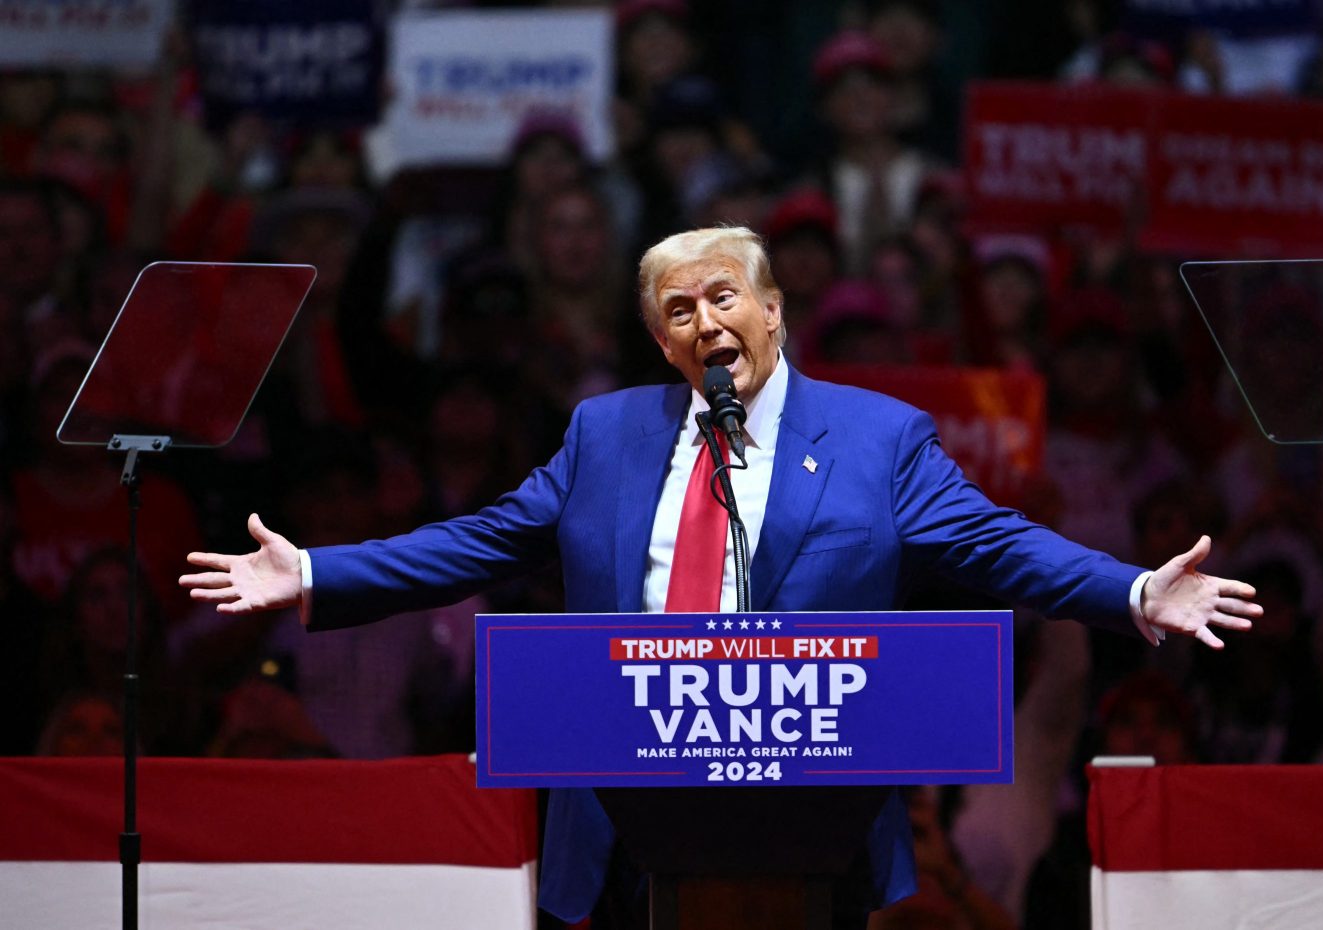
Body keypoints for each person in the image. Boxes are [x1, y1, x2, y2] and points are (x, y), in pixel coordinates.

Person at [180, 226, 1261, 924]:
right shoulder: (604, 436)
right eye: (678, 311)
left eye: (723, 296)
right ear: (663, 344)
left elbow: (997, 541)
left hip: (813, 818)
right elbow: (483, 538)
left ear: (774, 311)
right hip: (624, 817)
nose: (706, 321)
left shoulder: (877, 440)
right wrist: (317, 574)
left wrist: (1132, 591)